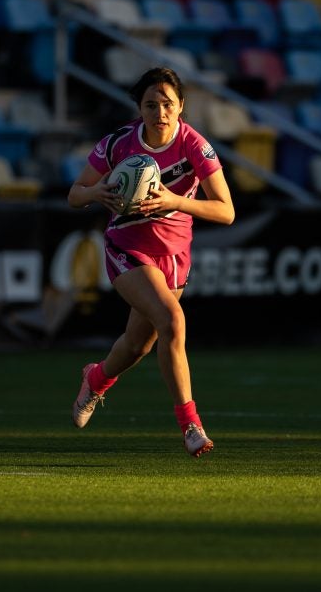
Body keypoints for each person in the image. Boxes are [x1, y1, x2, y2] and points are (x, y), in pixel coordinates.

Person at [66, 67, 235, 458]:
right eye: (151, 104)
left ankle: (96, 377)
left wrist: (174, 201)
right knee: (173, 320)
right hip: (126, 247)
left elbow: (226, 211)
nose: (160, 112)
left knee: (138, 346)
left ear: (181, 107)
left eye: (168, 104)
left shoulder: (194, 144)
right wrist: (97, 192)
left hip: (174, 255)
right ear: (139, 108)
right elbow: (74, 194)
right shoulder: (118, 144)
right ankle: (191, 425)